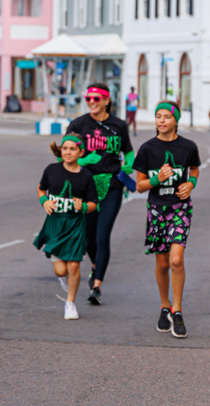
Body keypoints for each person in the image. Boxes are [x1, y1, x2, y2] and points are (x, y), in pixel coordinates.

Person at [134, 102, 200, 339]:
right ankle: (165, 306)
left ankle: (177, 310)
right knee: (162, 264)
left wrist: (191, 183)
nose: (161, 121)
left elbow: (194, 169)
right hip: (157, 210)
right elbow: (139, 185)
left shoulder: (188, 147)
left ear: (176, 120)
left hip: (180, 208)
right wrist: (157, 179)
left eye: (166, 117)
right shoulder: (147, 149)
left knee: (176, 260)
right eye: (158, 116)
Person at [67, 82, 135, 305]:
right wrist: (83, 160)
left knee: (102, 235)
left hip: (112, 186)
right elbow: (63, 156)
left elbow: (128, 151)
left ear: (107, 100)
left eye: (96, 99)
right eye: (88, 99)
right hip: (85, 187)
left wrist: (129, 164)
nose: (92, 102)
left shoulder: (119, 125)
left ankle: (97, 286)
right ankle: (96, 265)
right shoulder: (78, 125)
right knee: (88, 240)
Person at [34, 133, 98, 319]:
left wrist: (83, 206)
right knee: (61, 270)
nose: (68, 152)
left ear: (81, 152)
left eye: (72, 149)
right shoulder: (52, 170)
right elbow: (41, 189)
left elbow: (94, 203)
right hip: (55, 225)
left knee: (74, 266)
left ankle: (70, 303)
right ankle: (63, 278)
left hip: (75, 225)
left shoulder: (86, 176)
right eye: (65, 148)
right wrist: (45, 201)